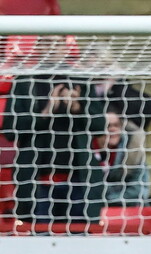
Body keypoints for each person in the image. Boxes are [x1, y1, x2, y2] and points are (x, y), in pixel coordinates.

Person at [3, 36, 106, 222]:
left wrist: (78, 109)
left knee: (79, 238)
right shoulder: (25, 82)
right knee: (40, 241)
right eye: (46, 43)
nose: (51, 48)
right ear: (38, 47)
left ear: (65, 47)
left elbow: (100, 126)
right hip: (37, 181)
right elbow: (10, 130)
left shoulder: (80, 80)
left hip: (79, 179)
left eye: (57, 43)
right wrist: (44, 113)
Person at [94, 110, 151, 206]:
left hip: (128, 209)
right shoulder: (86, 152)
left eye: (116, 125)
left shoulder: (134, 150)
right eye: (108, 126)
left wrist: (109, 199)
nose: (112, 129)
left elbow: (139, 190)